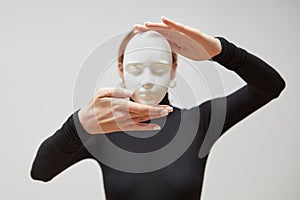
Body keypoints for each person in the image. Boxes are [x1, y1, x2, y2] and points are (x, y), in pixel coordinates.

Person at [30, 17, 285, 200]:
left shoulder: (198, 123)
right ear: (121, 70)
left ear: (174, 71)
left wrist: (220, 50)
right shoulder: (101, 130)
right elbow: (41, 172)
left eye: (160, 69)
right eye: (136, 69)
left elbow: (270, 86)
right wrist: (78, 126)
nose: (149, 79)